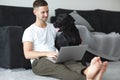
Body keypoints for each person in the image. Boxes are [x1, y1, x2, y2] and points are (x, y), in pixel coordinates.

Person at [22, 0, 108, 80]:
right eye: (43, 12)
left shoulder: (52, 27)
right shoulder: (29, 31)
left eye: (47, 11)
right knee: (60, 68)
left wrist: (77, 38)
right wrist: (47, 53)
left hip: (55, 56)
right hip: (39, 61)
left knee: (70, 62)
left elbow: (67, 33)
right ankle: (89, 78)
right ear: (35, 12)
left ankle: (87, 71)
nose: (46, 15)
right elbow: (28, 54)